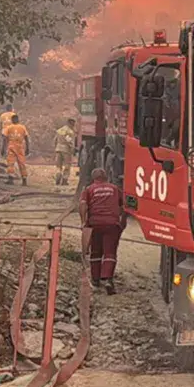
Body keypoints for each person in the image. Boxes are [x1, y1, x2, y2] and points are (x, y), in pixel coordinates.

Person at [79, 167, 124, 295]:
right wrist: (121, 221)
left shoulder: (89, 189)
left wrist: (83, 222)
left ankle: (96, 279)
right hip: (111, 224)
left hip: (95, 224)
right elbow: (124, 205)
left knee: (96, 252)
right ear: (106, 177)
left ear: (94, 178)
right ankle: (108, 279)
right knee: (110, 252)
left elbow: (83, 205)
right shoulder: (115, 189)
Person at [1, 114, 30, 185]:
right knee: (22, 163)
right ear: (18, 120)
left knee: (10, 162)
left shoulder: (8, 128)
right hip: (20, 146)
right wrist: (28, 148)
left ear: (12, 120)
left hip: (11, 146)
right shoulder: (23, 127)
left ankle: (10, 179)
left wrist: (3, 148)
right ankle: (24, 179)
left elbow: (4, 138)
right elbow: (26, 138)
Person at [54, 118, 77, 186]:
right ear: (70, 123)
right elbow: (69, 141)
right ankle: (64, 180)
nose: (73, 125)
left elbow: (55, 140)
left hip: (58, 149)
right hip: (66, 150)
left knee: (58, 165)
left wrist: (56, 148)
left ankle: (58, 174)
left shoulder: (59, 130)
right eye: (73, 124)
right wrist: (73, 149)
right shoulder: (69, 131)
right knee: (67, 165)